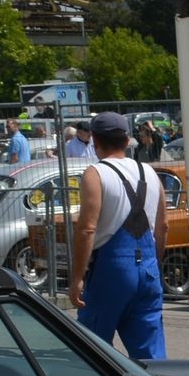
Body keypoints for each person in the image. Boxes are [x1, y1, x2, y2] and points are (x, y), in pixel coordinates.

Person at [67, 112, 166, 360]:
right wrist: (155, 265)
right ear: (127, 140)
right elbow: (162, 226)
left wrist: (77, 277)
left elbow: (87, 228)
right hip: (148, 268)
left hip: (110, 271)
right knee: (151, 356)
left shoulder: (96, 173)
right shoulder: (150, 173)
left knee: (92, 352)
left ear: (95, 142)